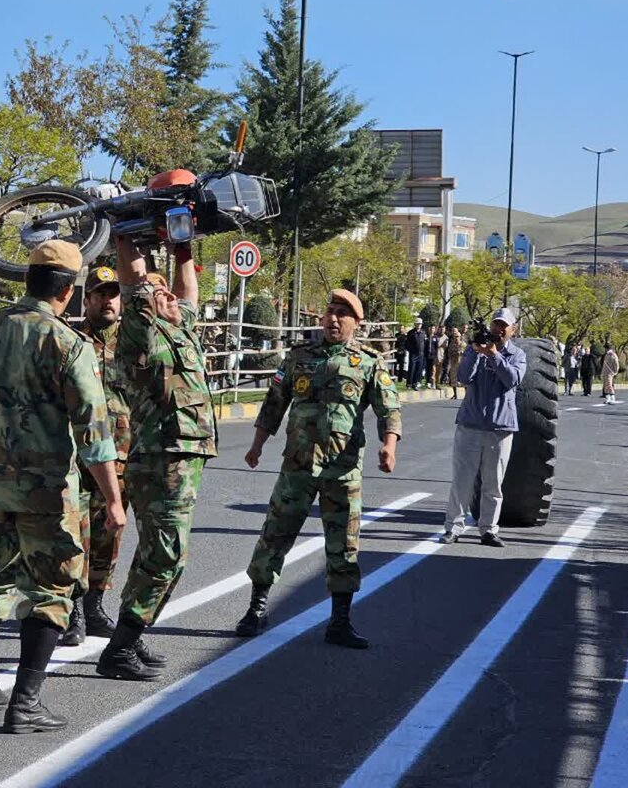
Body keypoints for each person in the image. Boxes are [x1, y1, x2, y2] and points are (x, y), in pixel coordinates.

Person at [0, 240, 123, 734]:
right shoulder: (67, 343)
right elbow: (94, 433)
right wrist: (112, 500)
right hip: (48, 492)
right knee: (51, 589)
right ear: (67, 290)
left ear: (28, 281)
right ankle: (25, 702)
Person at [235, 288, 401, 647]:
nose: (333, 319)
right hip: (297, 465)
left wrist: (389, 445)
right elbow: (274, 402)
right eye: (330, 312)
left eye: (343, 314)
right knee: (274, 535)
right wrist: (257, 445)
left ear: (356, 322)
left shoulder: (369, 362)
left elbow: (388, 407)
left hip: (342, 470)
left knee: (344, 545)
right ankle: (256, 608)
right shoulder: (299, 357)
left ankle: (340, 621)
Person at [96, 232, 216, 683]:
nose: (166, 294)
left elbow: (188, 293)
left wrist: (184, 247)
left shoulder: (181, 328)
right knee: (166, 555)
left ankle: (132, 634)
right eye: (156, 292)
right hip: (160, 456)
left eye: (167, 291)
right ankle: (120, 647)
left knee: (163, 554)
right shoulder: (139, 331)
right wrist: (125, 235)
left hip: (184, 456)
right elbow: (133, 282)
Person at [60, 265, 132, 646]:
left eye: (113, 295)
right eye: (100, 294)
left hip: (120, 460)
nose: (107, 301)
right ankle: (73, 612)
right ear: (85, 300)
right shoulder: (71, 342)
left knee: (109, 536)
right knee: (75, 537)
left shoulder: (133, 344)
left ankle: (95, 607)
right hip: (77, 459)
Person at [441, 307, 526, 548]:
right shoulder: (475, 348)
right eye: (495, 324)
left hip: (500, 427)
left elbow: (512, 380)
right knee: (462, 481)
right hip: (470, 424)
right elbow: (464, 377)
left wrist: (494, 355)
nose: (498, 329)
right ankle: (453, 527)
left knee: (493, 484)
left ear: (512, 330)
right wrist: (476, 351)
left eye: (503, 326)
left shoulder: (517, 354)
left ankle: (488, 529)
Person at [405, 320, 427, 390]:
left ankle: (415, 383)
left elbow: (425, 342)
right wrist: (411, 351)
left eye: (420, 324)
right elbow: (407, 344)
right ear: (415, 324)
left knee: (418, 369)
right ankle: (409, 383)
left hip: (421, 354)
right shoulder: (410, 333)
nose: (419, 325)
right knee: (412, 369)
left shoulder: (423, 332)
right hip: (413, 354)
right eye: (417, 324)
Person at [446, 326, 464, 399]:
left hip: (462, 363)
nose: (456, 338)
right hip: (454, 363)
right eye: (455, 337)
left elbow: (467, 353)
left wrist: (461, 353)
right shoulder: (451, 344)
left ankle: (467, 394)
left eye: (458, 336)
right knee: (453, 378)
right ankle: (455, 394)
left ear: (460, 337)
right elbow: (449, 353)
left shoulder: (463, 344)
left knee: (464, 379)